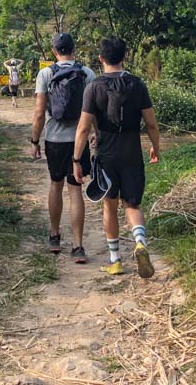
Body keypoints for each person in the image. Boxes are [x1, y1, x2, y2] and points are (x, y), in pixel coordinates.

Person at [73, 36, 160, 278]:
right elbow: (151, 124)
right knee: (132, 203)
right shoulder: (137, 84)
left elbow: (82, 128)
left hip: (106, 155)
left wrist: (77, 160)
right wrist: (155, 147)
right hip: (132, 153)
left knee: (109, 206)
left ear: (101, 58)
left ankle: (115, 260)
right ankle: (140, 242)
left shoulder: (93, 88)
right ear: (124, 57)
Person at [29, 33, 96, 262]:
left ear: (54, 51)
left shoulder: (46, 74)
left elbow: (39, 113)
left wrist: (35, 140)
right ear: (73, 49)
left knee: (55, 185)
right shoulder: (87, 73)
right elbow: (92, 110)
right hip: (79, 140)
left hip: (55, 140)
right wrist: (95, 134)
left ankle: (55, 236)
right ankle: (78, 246)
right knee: (75, 189)